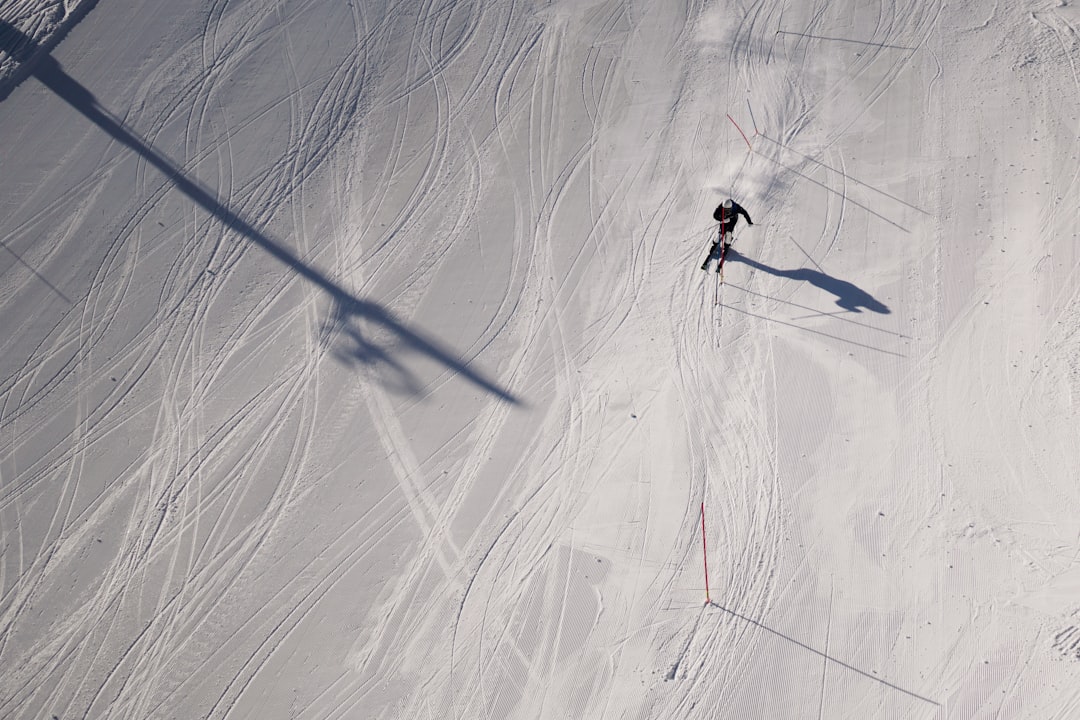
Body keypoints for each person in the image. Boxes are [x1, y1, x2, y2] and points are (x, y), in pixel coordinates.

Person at [701, 198, 753, 272]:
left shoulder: (736, 207)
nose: (726, 211)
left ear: (731, 208)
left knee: (728, 233)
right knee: (721, 232)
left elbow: (744, 212)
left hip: (733, 220)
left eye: (728, 210)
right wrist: (722, 219)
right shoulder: (721, 207)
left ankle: (727, 243)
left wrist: (749, 221)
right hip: (724, 219)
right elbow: (715, 215)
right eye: (725, 209)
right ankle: (716, 242)